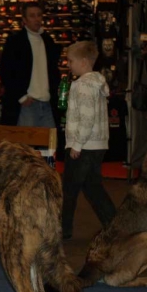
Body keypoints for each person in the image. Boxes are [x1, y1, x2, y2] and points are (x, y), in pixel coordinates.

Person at [61, 41, 116, 240]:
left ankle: (63, 230)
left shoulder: (83, 86)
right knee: (93, 188)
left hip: (83, 145)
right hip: (97, 144)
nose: (69, 65)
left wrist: (77, 144)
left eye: (71, 60)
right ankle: (115, 225)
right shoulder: (98, 83)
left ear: (84, 62)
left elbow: (86, 117)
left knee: (69, 190)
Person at [0, 2, 62, 127]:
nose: (37, 19)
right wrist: (21, 96)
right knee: (24, 144)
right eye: (32, 16)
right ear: (24, 20)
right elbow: (6, 71)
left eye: (39, 15)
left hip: (47, 102)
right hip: (26, 104)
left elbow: (53, 71)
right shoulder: (15, 41)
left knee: (50, 144)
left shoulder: (48, 41)